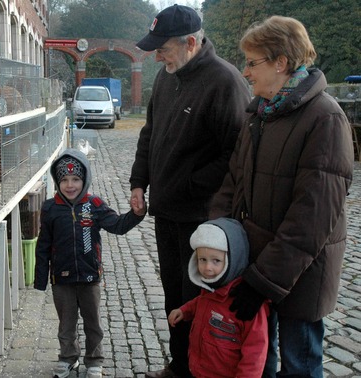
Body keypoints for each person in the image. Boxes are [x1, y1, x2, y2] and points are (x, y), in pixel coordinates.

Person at [209, 16, 354, 377]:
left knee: (299, 366)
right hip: (257, 269)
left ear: (281, 62)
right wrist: (217, 238)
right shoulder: (259, 113)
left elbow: (312, 217)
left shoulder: (325, 118)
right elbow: (234, 181)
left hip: (300, 278)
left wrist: (265, 280)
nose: (245, 72)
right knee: (260, 363)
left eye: (252, 63)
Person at [129, 5, 251, 377]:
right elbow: (150, 133)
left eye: (163, 48)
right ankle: (180, 365)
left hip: (203, 216)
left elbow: (236, 155)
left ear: (192, 43)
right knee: (173, 295)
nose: (156, 55)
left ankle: (203, 369)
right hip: (167, 212)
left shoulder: (225, 82)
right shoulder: (168, 75)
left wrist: (189, 183)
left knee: (200, 298)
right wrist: (139, 181)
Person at [34, 148, 145, 378]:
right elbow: (43, 245)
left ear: (84, 179)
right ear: (57, 181)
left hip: (90, 277)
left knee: (92, 322)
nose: (70, 185)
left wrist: (136, 215)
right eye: (64, 180)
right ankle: (68, 358)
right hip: (61, 279)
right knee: (66, 325)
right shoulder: (50, 208)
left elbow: (117, 225)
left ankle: (94, 360)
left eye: (76, 179)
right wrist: (41, 278)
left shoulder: (93, 204)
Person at [168, 218, 269, 378]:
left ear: (232, 260)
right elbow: (201, 304)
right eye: (202, 260)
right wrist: (185, 311)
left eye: (216, 261)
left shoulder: (245, 303)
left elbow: (255, 353)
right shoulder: (209, 288)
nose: (208, 267)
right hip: (199, 370)